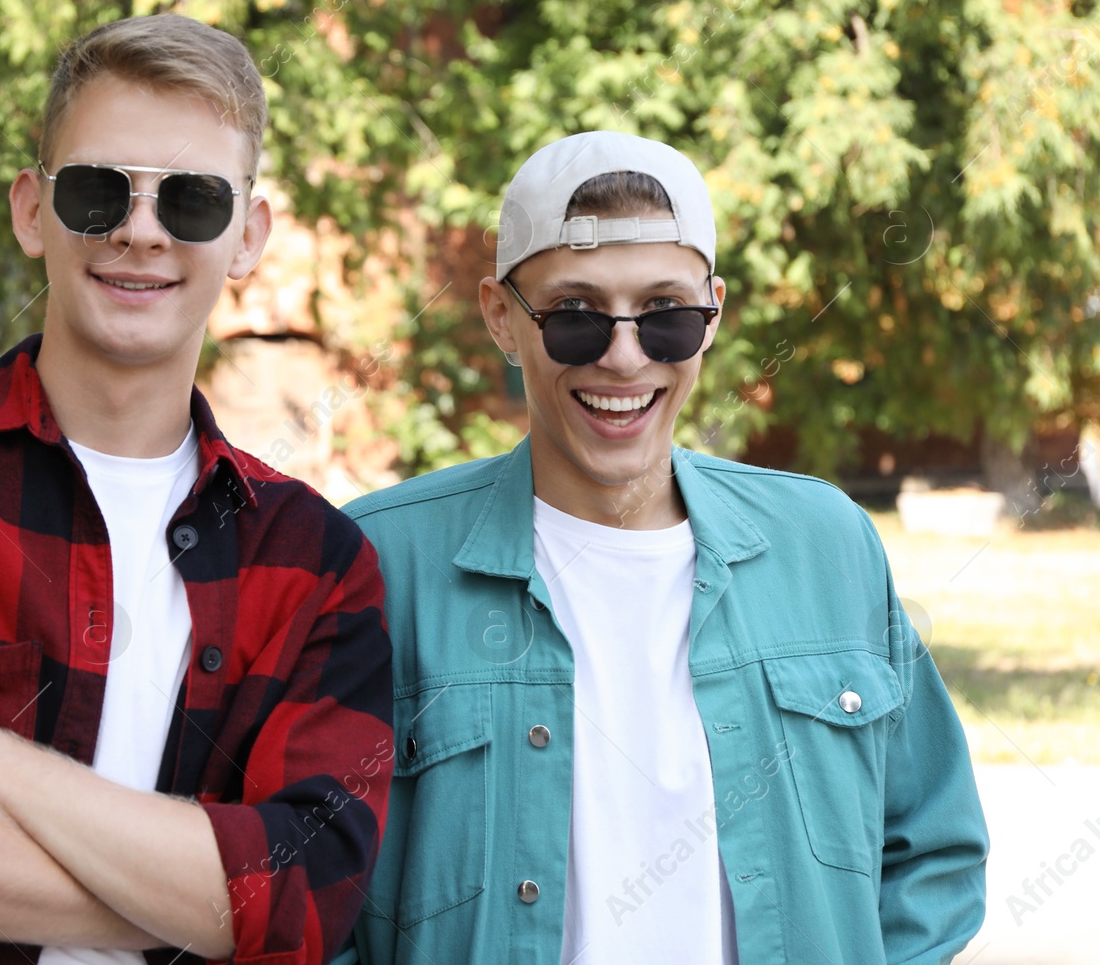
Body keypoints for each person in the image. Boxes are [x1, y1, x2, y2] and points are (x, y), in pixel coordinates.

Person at [0, 13, 394, 965]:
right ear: (31, 211)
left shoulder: (316, 560)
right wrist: (211, 909)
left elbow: (310, 896)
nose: (140, 231)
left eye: (192, 201)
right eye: (100, 191)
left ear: (248, 236)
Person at [332, 131, 988, 964]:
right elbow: (308, 893)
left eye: (665, 317)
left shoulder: (827, 544)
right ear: (502, 316)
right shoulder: (381, 561)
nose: (624, 355)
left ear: (712, 313)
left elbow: (933, 847)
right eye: (574, 317)